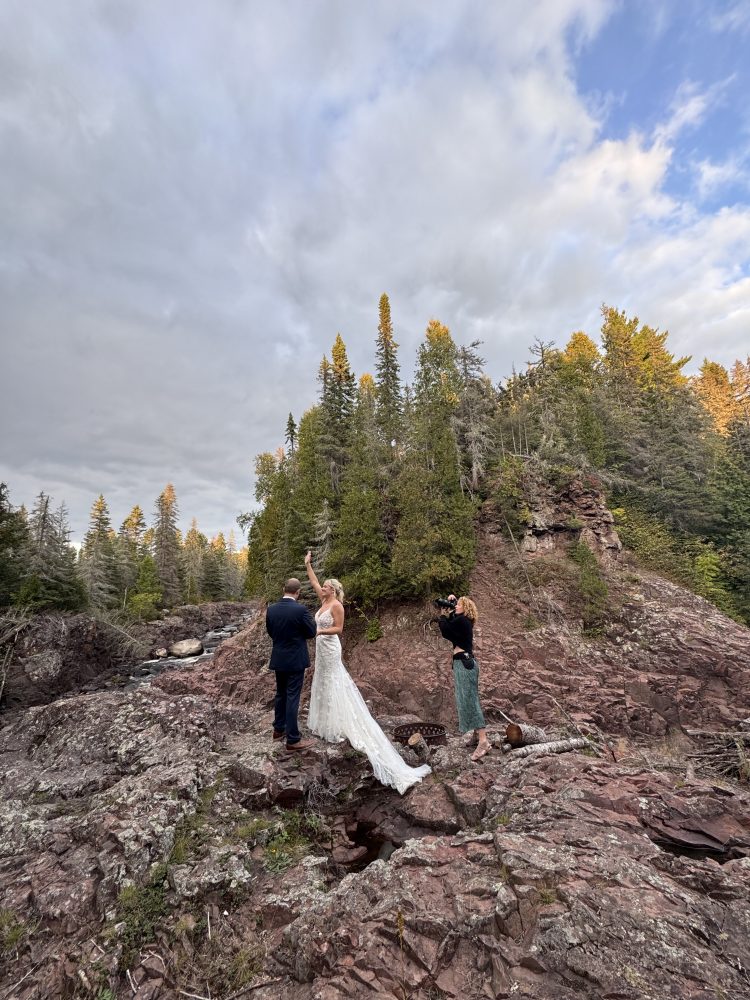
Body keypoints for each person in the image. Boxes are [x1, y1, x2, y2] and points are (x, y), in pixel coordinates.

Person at [304, 550, 431, 795]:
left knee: (333, 681)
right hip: (320, 649)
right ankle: (325, 721)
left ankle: (341, 724)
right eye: (326, 585)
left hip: (330, 646)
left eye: (328, 586)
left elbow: (339, 629)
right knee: (321, 681)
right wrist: (308, 564)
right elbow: (313, 582)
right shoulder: (322, 601)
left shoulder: (337, 605)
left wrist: (320, 632)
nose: (325, 587)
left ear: (334, 590)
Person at [265, 577, 318, 751]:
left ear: (283, 589)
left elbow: (271, 632)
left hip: (279, 658)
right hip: (295, 659)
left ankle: (278, 730)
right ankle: (293, 739)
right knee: (292, 696)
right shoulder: (300, 609)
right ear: (298, 592)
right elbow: (311, 632)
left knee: (281, 694)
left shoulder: (271, 609)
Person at [436, 595, 490, 761]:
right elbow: (453, 623)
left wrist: (442, 614)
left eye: (458, 604)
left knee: (471, 701)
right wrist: (452, 603)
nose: (455, 606)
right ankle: (476, 736)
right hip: (464, 663)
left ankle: (483, 741)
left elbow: (446, 631)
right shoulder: (463, 621)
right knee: (467, 700)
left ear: (465, 608)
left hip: (465, 664)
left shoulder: (462, 621)